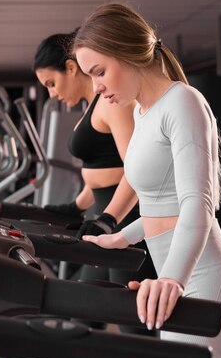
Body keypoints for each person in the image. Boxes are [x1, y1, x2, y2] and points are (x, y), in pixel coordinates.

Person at [73, 3, 221, 358]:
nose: (96, 88)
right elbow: (163, 206)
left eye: (99, 72)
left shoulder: (183, 102)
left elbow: (197, 206)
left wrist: (171, 279)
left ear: (127, 52)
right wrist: (122, 237)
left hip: (209, 282)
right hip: (183, 281)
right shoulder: (143, 112)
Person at [33, 32, 156, 334]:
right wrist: (76, 206)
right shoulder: (94, 105)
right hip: (105, 221)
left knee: (137, 327)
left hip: (124, 224)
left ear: (71, 68)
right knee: (80, 315)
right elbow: (103, 168)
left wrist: (107, 219)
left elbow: (135, 171)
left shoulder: (111, 103)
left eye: (52, 83)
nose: (52, 94)